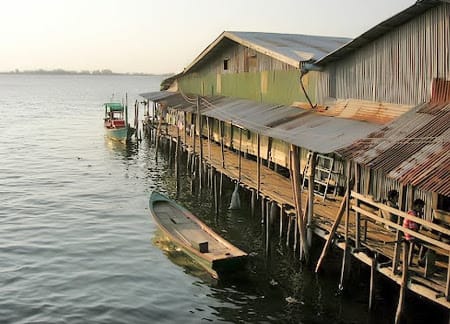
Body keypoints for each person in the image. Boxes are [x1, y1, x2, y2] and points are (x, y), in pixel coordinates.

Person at [403, 198, 425, 265]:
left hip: (407, 233)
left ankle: (418, 259)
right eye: (420, 207)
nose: (421, 209)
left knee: (421, 242)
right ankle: (420, 260)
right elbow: (414, 228)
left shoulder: (410, 212)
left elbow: (416, 227)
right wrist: (420, 216)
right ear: (417, 206)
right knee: (425, 245)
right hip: (410, 235)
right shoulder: (413, 214)